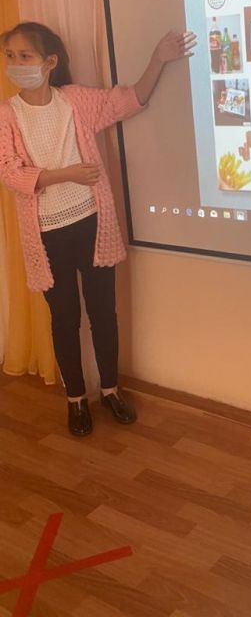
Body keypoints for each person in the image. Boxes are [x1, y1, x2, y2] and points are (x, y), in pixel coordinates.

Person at [0, 22, 196, 437]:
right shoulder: (6, 115)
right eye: (10, 56)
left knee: (103, 311)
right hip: (47, 232)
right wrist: (65, 174)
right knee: (64, 317)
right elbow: (9, 173)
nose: (16, 64)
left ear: (50, 62)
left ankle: (110, 390)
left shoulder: (74, 101)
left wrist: (158, 59)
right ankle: (75, 398)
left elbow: (129, 100)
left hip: (92, 222)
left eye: (25, 56)